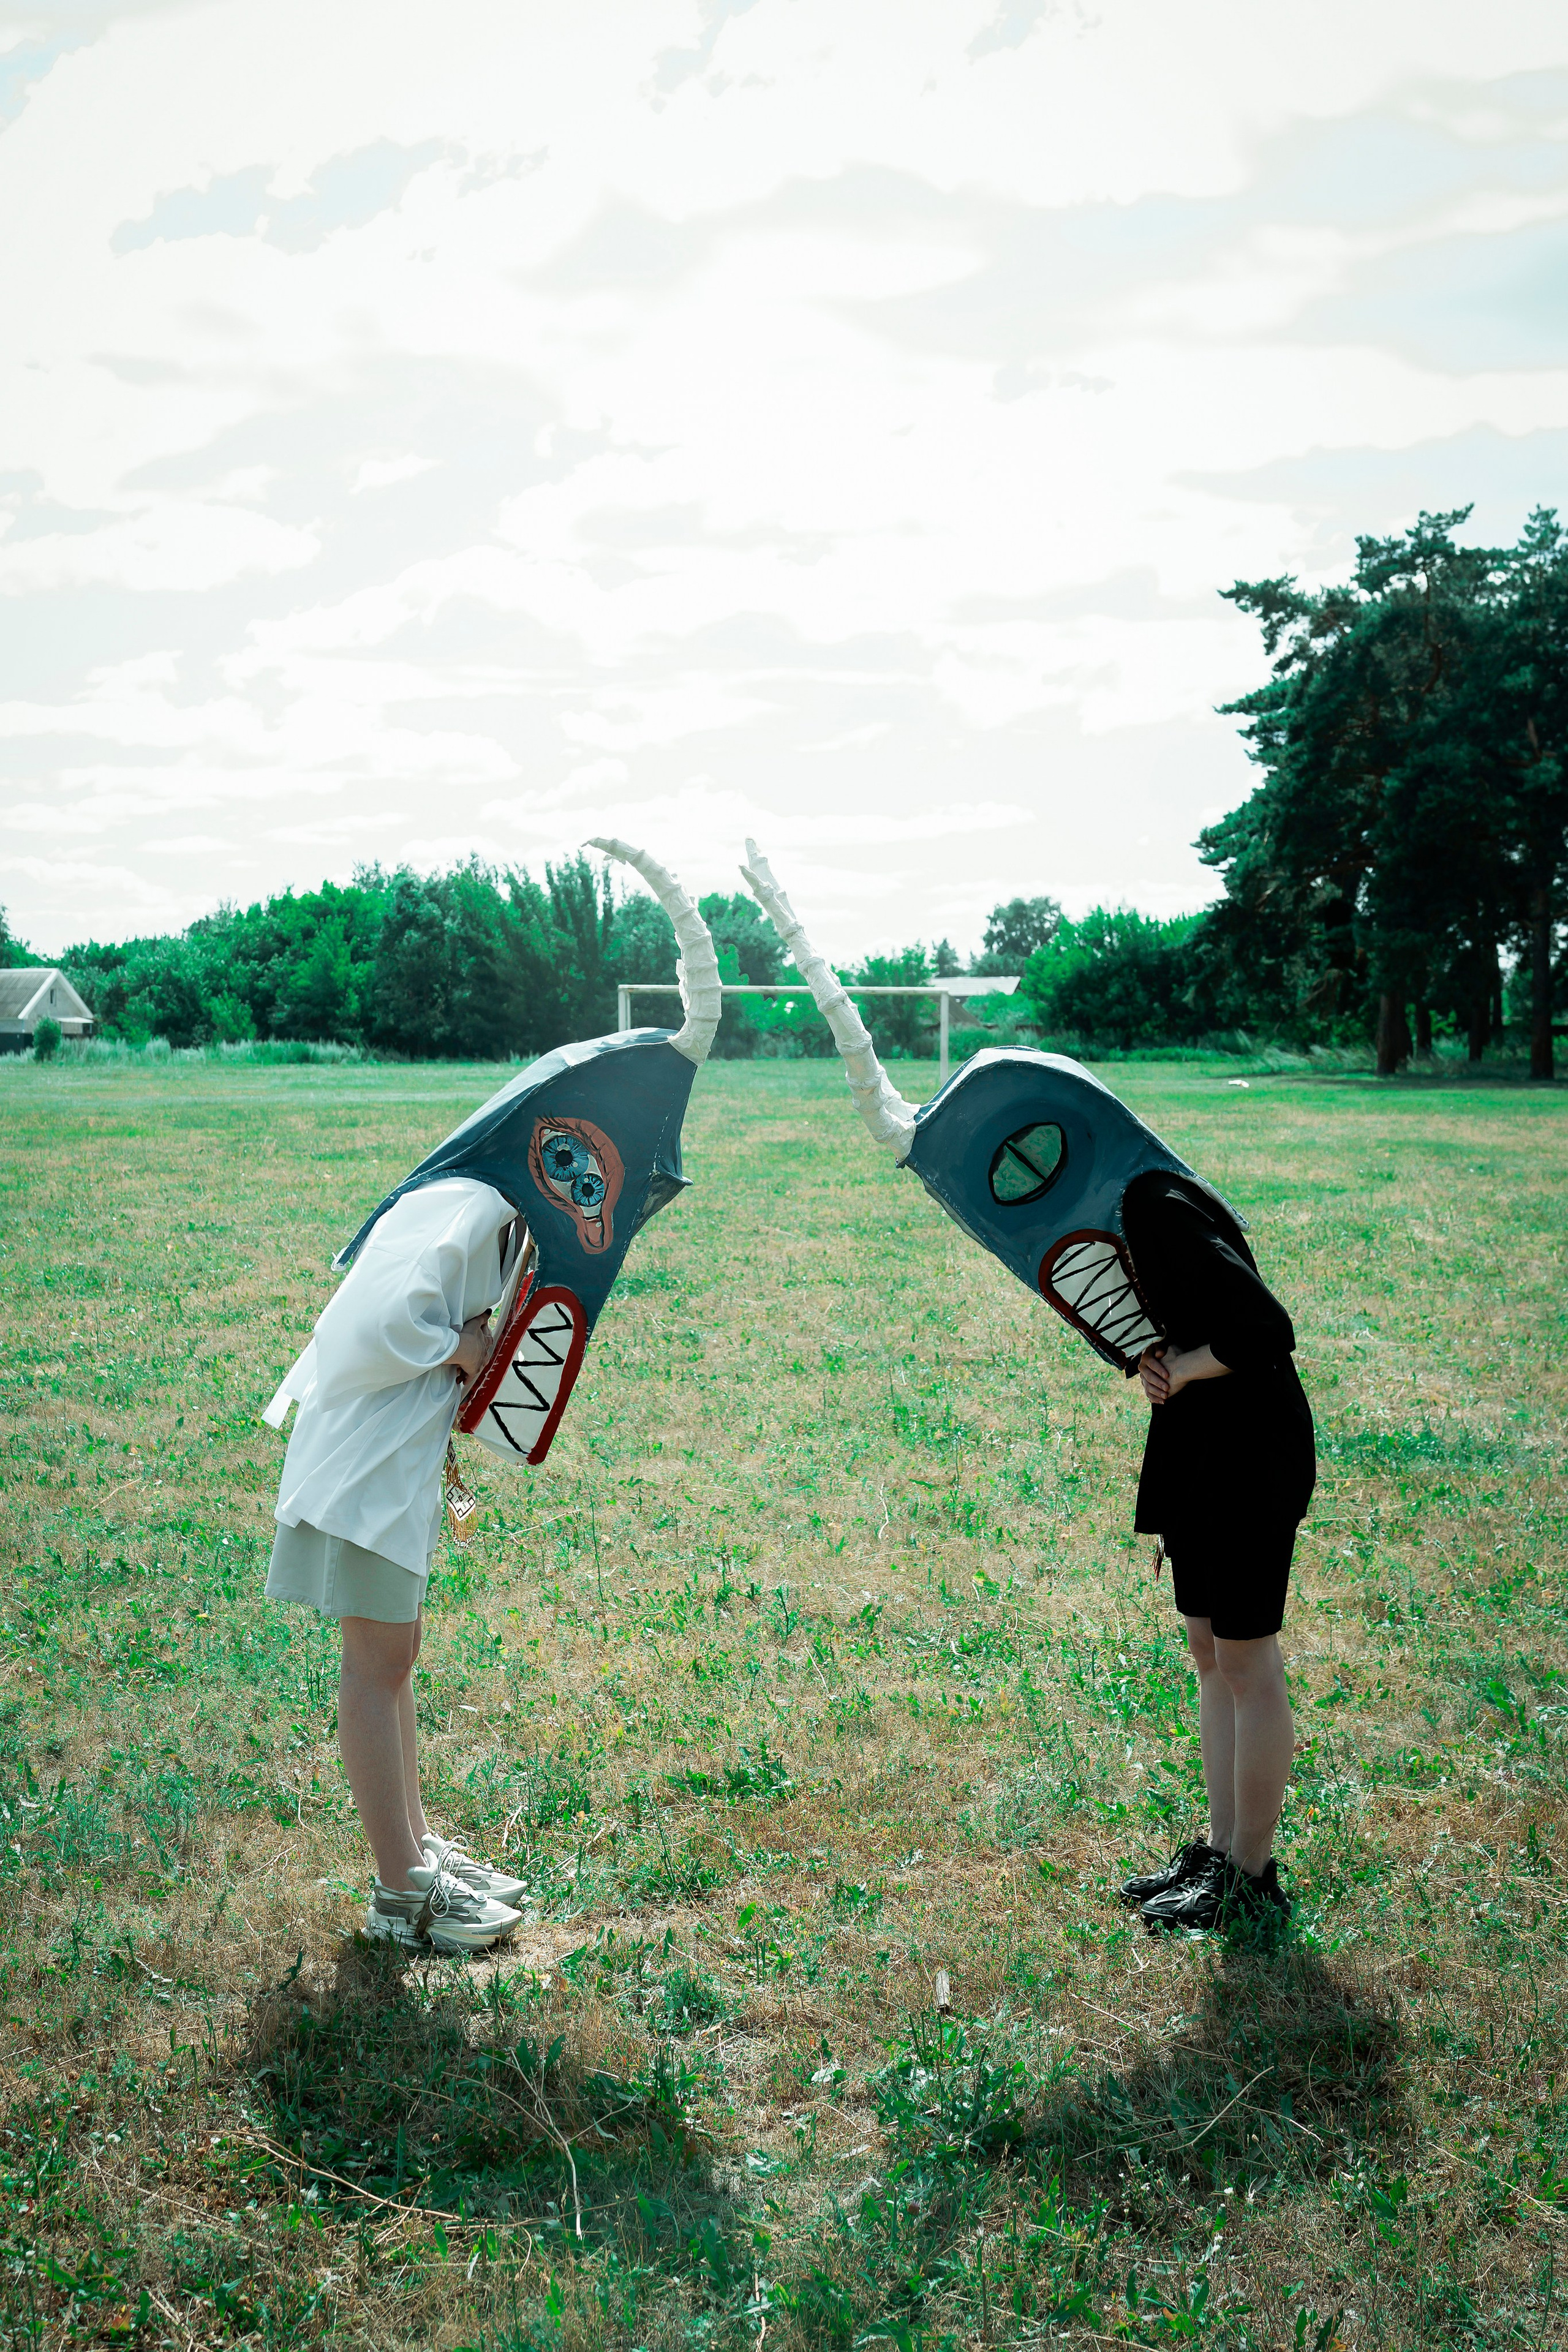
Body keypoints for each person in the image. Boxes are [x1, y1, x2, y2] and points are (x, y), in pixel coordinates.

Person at [263, 1177, 529, 1953]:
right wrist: (462, 1346)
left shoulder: (498, 1215)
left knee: (394, 1655)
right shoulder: (471, 1206)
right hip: (363, 1469)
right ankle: (398, 1888)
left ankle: (415, 1850)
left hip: (390, 1466)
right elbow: (362, 1326)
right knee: (375, 1662)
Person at [1114, 1170, 1316, 1932]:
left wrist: (1190, 1364)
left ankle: (1250, 1877)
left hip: (1250, 1456)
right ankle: (1221, 1850)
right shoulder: (1133, 1216)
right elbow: (1189, 1319)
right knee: (1207, 1650)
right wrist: (1157, 1361)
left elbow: (1263, 1327)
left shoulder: (1153, 1205)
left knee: (1244, 1659)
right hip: (1199, 1449)